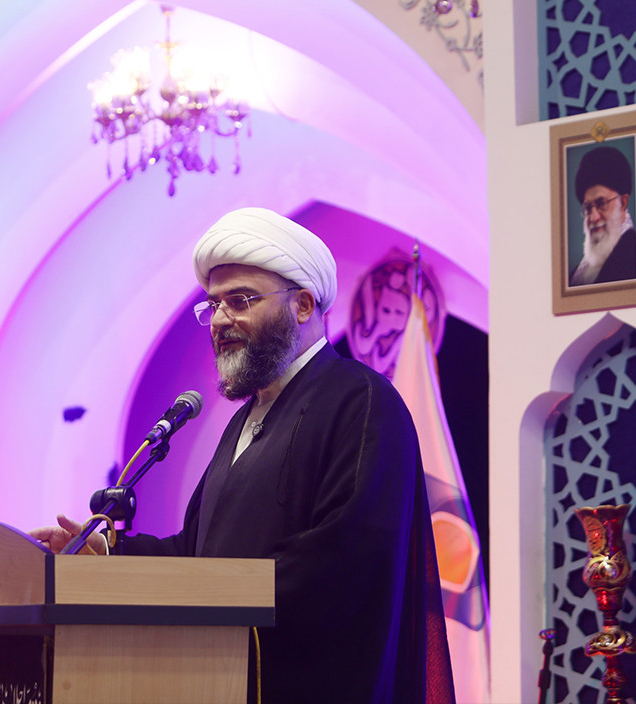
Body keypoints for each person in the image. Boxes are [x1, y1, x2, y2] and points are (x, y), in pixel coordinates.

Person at [31, 207, 455, 704]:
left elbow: (340, 566)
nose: (219, 320)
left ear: (302, 304)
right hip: (221, 683)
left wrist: (215, 594)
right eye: (213, 305)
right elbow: (198, 553)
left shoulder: (362, 401)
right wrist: (106, 553)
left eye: (239, 301)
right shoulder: (244, 421)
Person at [569, 146, 636, 286]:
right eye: (588, 208)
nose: (594, 217)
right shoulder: (576, 274)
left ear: (622, 203)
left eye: (601, 203)